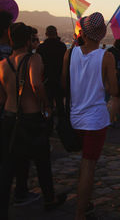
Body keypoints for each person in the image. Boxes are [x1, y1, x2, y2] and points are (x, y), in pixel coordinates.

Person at [0, 23, 66, 219]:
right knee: (42, 160)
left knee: (9, 165)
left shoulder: (3, 64)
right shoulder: (33, 59)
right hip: (31, 116)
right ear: (28, 40)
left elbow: (2, 98)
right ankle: (49, 198)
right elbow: (36, 83)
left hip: (10, 118)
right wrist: (47, 103)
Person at [62, 12, 118, 220]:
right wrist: (101, 82)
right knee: (88, 165)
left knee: (84, 164)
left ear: (83, 32)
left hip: (75, 117)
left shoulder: (70, 54)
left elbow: (64, 84)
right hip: (95, 120)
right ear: (101, 36)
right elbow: (113, 89)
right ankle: (80, 213)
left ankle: (86, 203)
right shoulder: (107, 57)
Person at [36, 26, 67, 118]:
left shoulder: (41, 47)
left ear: (46, 34)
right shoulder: (62, 46)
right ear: (56, 33)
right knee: (60, 104)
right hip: (59, 79)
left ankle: (47, 125)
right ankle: (61, 126)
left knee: (47, 104)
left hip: (46, 80)